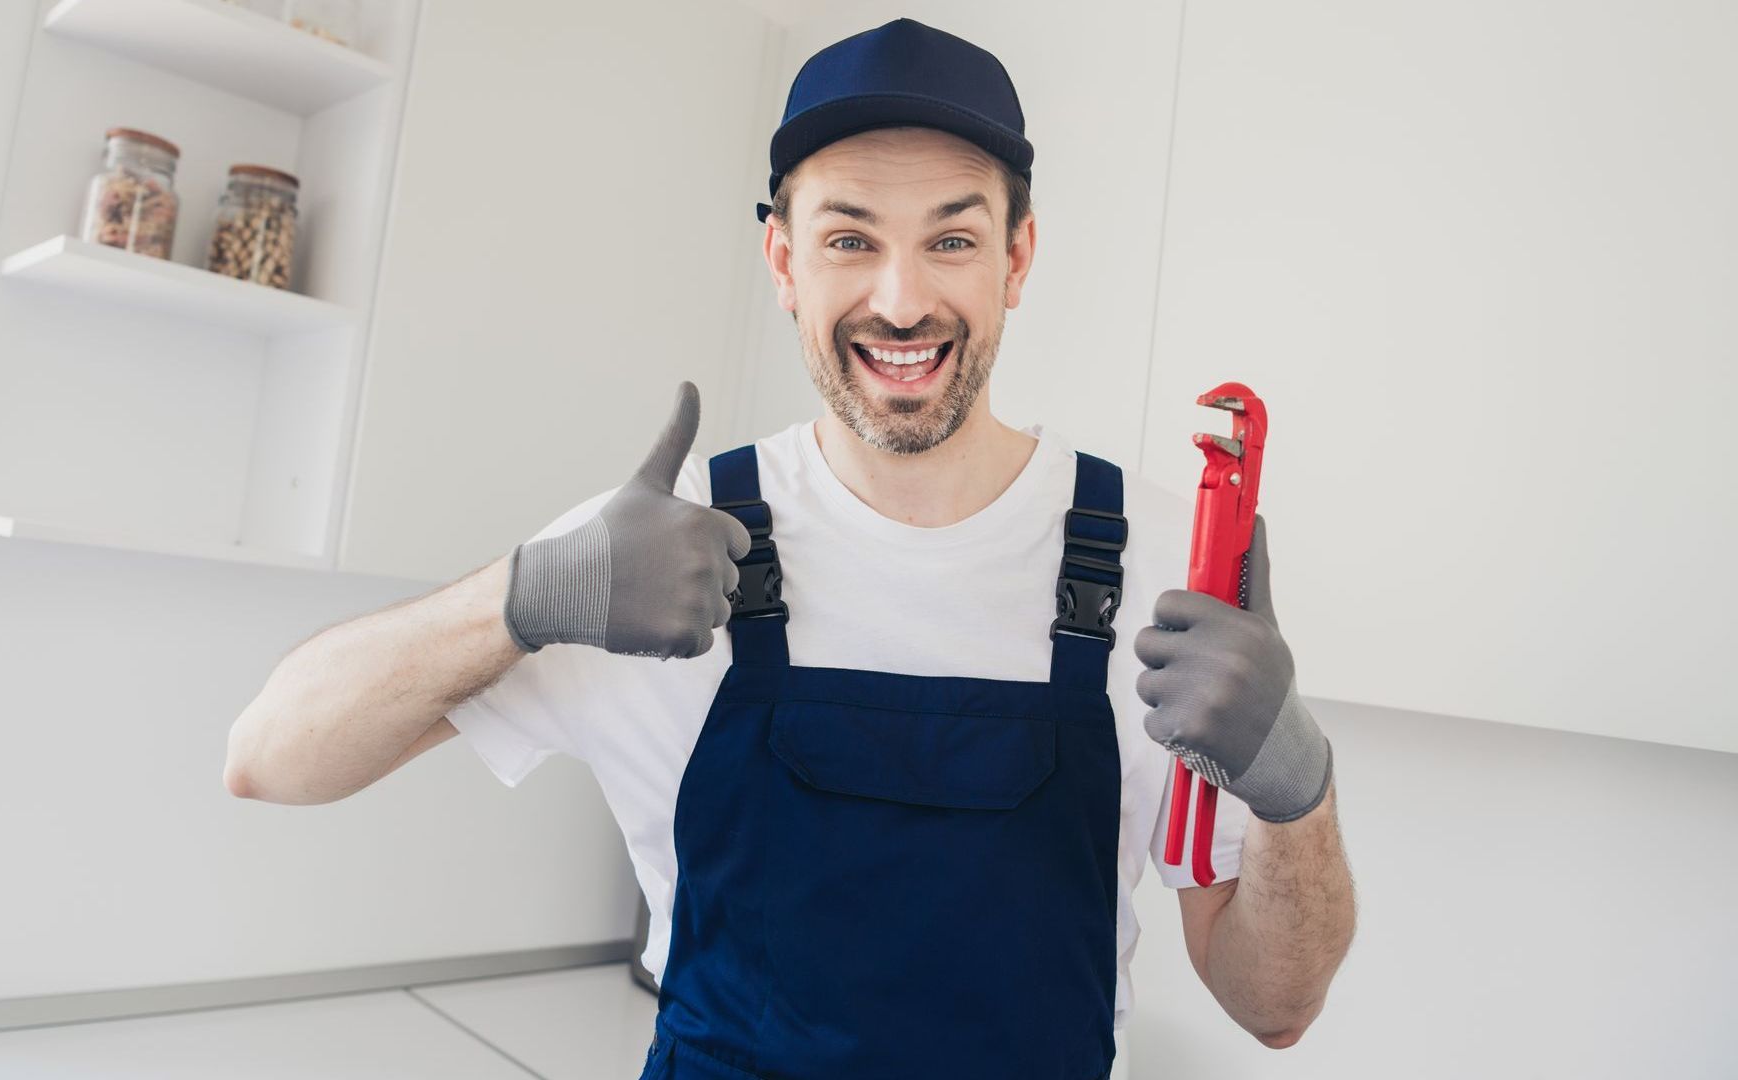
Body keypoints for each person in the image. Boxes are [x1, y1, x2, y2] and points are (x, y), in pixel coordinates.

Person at [224, 17, 1355, 1079]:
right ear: (782, 262)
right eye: (848, 239)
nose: (901, 301)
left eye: (951, 239)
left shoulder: (1163, 565)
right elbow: (270, 758)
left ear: (1017, 259)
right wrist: (525, 596)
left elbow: (1273, 1005)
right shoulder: (655, 551)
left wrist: (1295, 789)